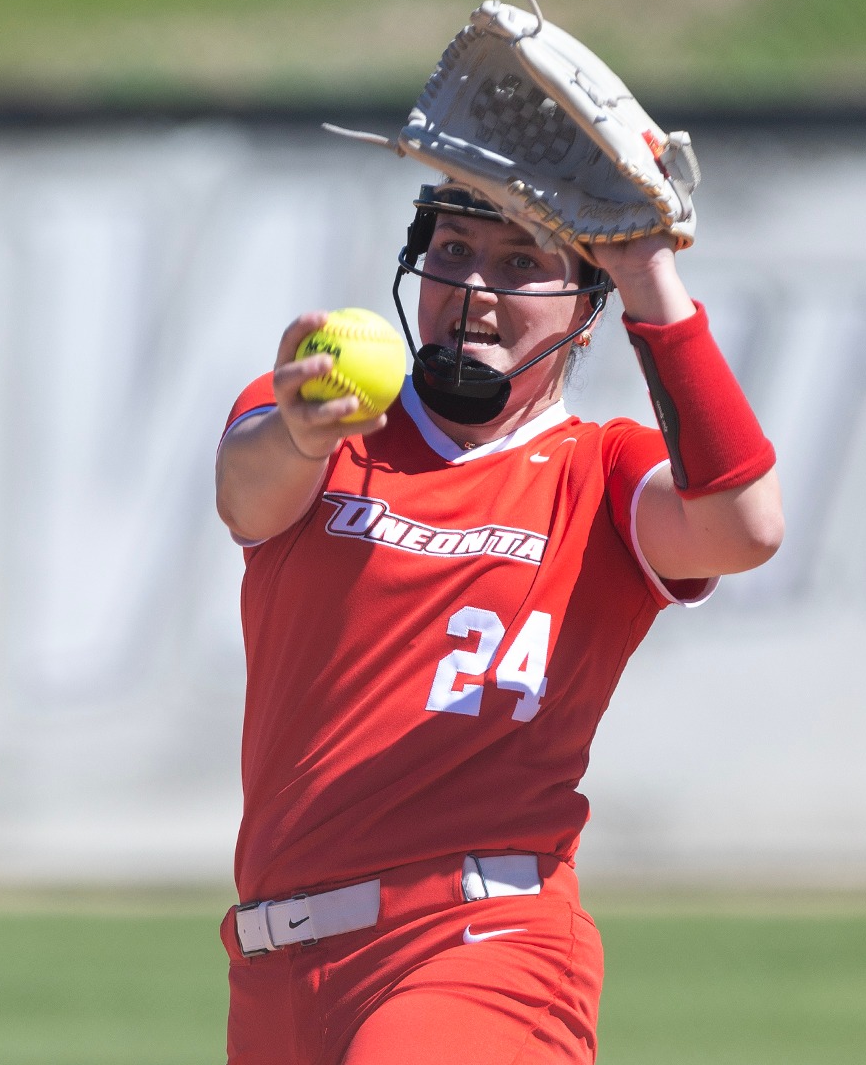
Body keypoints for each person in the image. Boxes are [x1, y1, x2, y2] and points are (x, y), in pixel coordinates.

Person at [211, 178, 781, 1064]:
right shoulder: (329, 425)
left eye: (521, 262)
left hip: (480, 943)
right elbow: (246, 495)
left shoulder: (600, 471)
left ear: (586, 312)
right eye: (453, 252)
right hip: (276, 969)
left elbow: (743, 528)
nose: (475, 285)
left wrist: (645, 271)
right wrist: (298, 432)